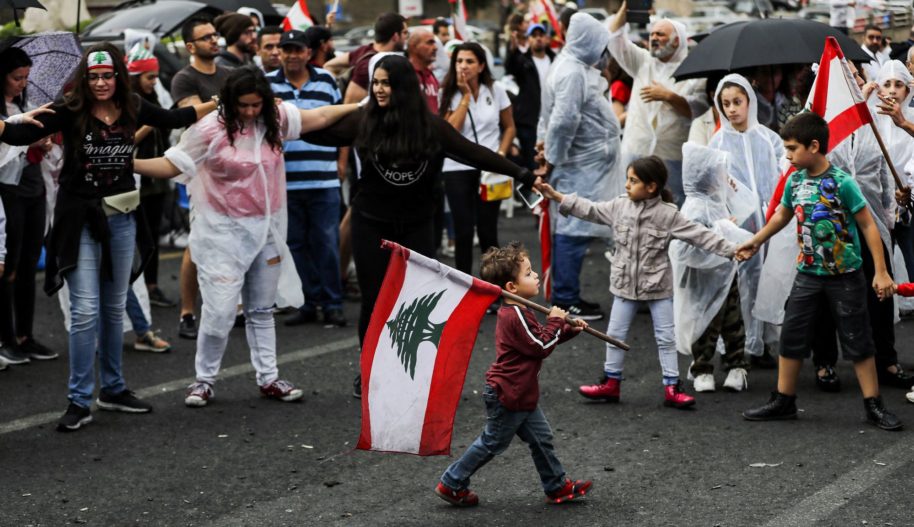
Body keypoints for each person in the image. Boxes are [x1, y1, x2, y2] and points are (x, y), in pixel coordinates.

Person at [0, 43, 216, 432]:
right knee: (85, 311)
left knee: (114, 308)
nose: (100, 83)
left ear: (118, 75)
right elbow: (17, 135)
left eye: (107, 75)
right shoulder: (69, 109)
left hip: (121, 217)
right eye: (94, 76)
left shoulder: (133, 105)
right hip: (78, 219)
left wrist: (219, 102)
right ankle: (78, 400)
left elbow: (174, 116)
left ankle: (113, 389)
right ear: (86, 78)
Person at [299, 55, 536, 398]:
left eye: (386, 83)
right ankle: (370, 369)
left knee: (418, 301)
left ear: (403, 87)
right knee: (374, 300)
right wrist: (276, 120)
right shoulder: (364, 120)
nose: (379, 89)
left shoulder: (430, 127)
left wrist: (525, 175)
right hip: (372, 223)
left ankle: (412, 369)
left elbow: (474, 154)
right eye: (375, 83)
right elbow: (320, 132)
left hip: (418, 224)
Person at [133, 66, 359, 407]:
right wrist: (128, 163)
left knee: (261, 310)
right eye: (244, 105)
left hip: (266, 229)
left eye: (257, 105)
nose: (251, 112)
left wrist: (365, 105)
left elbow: (322, 116)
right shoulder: (210, 129)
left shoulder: (274, 118)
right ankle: (203, 380)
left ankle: (269, 377)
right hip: (221, 233)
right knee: (220, 311)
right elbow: (171, 164)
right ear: (229, 101)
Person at [738, 112, 902, 431]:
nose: (787, 155)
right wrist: (755, 242)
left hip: (846, 275)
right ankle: (784, 398)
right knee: (793, 334)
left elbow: (869, 225)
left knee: (858, 338)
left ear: (814, 146)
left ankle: (874, 404)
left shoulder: (842, 183)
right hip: (808, 274)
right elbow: (782, 215)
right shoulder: (795, 181)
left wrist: (880, 271)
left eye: (792, 149)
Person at [537, 156, 741, 409]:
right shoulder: (619, 206)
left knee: (665, 338)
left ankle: (672, 387)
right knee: (613, 335)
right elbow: (590, 209)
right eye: (628, 179)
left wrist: (733, 249)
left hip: (657, 287)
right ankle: (611, 382)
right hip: (624, 286)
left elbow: (700, 236)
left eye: (633, 181)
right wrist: (556, 196)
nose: (626, 185)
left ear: (651, 186)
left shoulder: (668, 215)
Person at [435, 242, 592, 507]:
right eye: (529, 273)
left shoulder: (520, 311)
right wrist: (556, 321)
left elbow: (539, 343)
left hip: (522, 392)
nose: (536, 276)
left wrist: (566, 332)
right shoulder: (514, 315)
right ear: (511, 287)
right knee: (492, 443)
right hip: (509, 393)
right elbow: (540, 345)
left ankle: (556, 486)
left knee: (542, 438)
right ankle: (451, 483)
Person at [812, 60, 912, 390]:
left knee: (879, 292)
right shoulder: (822, 120)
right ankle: (824, 361)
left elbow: (883, 172)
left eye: (856, 75)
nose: (855, 80)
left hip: (872, 225)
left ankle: (888, 361)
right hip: (832, 224)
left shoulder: (871, 120)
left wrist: (892, 205)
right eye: (847, 76)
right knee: (827, 295)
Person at [537, 13, 621, 321]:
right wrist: (552, 160)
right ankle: (566, 299)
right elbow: (562, 122)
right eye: (598, 43)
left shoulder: (573, 65)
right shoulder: (572, 72)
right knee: (574, 229)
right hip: (580, 168)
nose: (602, 50)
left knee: (579, 226)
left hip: (588, 166)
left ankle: (567, 294)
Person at [267, 30, 346, 329]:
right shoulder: (268, 83)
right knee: (295, 245)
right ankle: (308, 303)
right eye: (286, 49)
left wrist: (341, 162)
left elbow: (341, 122)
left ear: (308, 52)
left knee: (326, 243)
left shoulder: (326, 80)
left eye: (297, 49)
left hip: (324, 179)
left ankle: (333, 303)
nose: (291, 55)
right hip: (284, 181)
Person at [708, 74, 784, 369]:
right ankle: (740, 345)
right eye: (725, 103)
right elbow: (713, 186)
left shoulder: (768, 138)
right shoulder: (717, 143)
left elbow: (782, 174)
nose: (731, 109)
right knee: (742, 283)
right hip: (739, 226)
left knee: (769, 280)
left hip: (770, 222)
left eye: (737, 102)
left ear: (749, 102)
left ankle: (763, 342)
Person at [608, 1, 708, 205]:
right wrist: (625, 8)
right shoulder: (643, 62)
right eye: (652, 34)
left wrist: (668, 96)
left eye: (660, 35)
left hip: (671, 156)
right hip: (637, 151)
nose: (654, 38)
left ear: (676, 41)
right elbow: (614, 39)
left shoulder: (692, 72)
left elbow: (698, 110)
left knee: (670, 208)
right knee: (632, 207)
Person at [673, 142, 753, 393]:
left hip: (725, 274)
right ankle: (703, 367)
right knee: (704, 323)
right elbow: (687, 247)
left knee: (732, 321)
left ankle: (736, 365)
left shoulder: (717, 201)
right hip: (702, 278)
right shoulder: (695, 207)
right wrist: (723, 229)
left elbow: (746, 204)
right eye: (720, 173)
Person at [171, 17, 233, 340]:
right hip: (200, 168)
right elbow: (193, 116)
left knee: (231, 238)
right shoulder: (184, 78)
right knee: (197, 243)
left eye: (215, 35)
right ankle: (187, 312)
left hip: (231, 166)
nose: (215, 40)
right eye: (206, 37)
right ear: (191, 46)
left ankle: (230, 306)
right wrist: (225, 103)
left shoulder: (229, 75)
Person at [0, 46, 58, 365]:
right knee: (8, 267)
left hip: (34, 187)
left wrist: (43, 142)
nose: (22, 83)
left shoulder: (27, 104)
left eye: (26, 77)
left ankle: (25, 335)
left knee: (29, 263)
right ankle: (6, 338)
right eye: (15, 77)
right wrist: (22, 136)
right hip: (8, 192)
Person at [439, 43, 515, 275]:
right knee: (462, 231)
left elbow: (509, 127)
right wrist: (465, 96)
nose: (463, 66)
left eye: (470, 61)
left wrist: (500, 155)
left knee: (487, 231)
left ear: (481, 65)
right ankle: (464, 288)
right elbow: (450, 131)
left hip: (489, 170)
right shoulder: (448, 92)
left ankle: (492, 288)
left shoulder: (496, 90)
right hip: (456, 168)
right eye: (459, 61)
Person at [126, 43, 178, 310]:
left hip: (156, 180)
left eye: (156, 77)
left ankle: (152, 285)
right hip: (136, 183)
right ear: (136, 78)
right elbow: (126, 141)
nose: (154, 82)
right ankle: (138, 287)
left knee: (154, 236)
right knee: (139, 238)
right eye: (149, 77)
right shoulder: (128, 104)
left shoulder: (154, 100)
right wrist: (152, 123)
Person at [324, 13, 408, 104]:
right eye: (404, 32)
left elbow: (329, 66)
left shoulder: (365, 50)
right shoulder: (369, 65)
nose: (406, 37)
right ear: (395, 36)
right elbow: (350, 103)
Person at [505, 22, 554, 171]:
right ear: (528, 40)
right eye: (534, 35)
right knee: (533, 163)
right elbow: (511, 68)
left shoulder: (556, 60)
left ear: (546, 38)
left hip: (551, 119)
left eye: (541, 35)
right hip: (529, 122)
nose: (538, 38)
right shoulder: (522, 61)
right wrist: (512, 50)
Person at [407, 29, 439, 113]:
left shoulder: (431, 76)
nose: (435, 48)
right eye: (429, 43)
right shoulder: (404, 75)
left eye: (434, 43)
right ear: (413, 47)